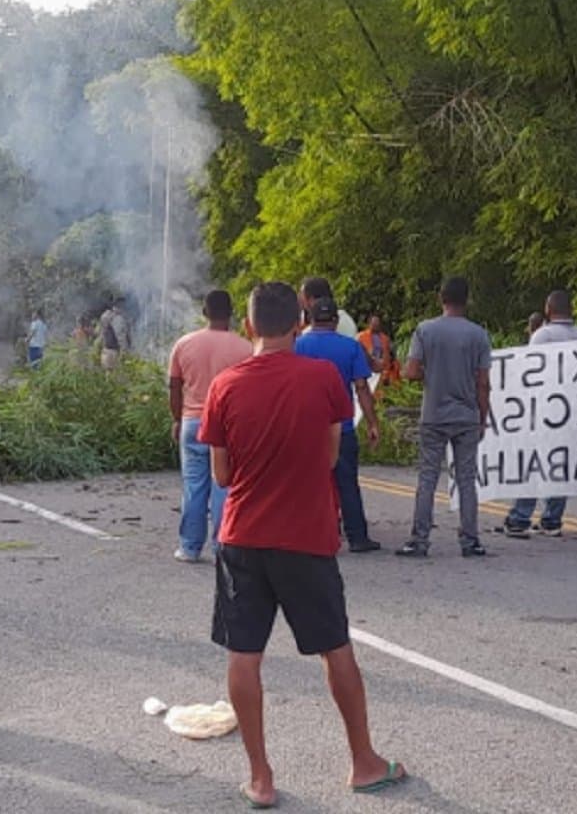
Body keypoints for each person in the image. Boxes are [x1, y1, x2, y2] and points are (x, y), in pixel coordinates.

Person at [199, 281, 406, 807]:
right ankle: (364, 762)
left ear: (248, 327)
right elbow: (330, 457)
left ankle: (261, 777)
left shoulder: (226, 385)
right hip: (307, 536)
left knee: (244, 656)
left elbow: (221, 476)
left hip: (242, 536)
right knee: (335, 648)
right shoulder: (323, 379)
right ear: (299, 322)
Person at [396, 276, 491, 558]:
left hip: (434, 414)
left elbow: (411, 371)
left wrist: (432, 374)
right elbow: (482, 382)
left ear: (441, 299)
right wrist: (482, 416)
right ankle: (470, 540)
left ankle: (420, 539)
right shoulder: (478, 335)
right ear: (467, 300)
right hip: (465, 415)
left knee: (427, 478)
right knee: (466, 479)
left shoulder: (426, 330)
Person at [168, 290, 253, 562]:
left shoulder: (183, 344)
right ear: (231, 314)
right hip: (227, 425)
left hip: (192, 421)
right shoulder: (245, 348)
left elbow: (174, 386)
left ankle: (189, 547)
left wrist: (177, 419)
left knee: (193, 486)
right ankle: (221, 546)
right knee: (224, 485)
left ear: (204, 313)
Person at [499, 290, 577, 537]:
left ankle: (520, 517)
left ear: (548, 310)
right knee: (561, 463)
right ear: (572, 310)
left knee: (533, 463)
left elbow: (532, 374)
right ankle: (552, 520)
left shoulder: (543, 336)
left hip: (545, 410)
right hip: (575, 411)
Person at [297, 298, 382, 553]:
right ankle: (357, 538)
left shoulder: (297, 346)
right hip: (340, 427)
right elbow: (362, 388)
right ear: (335, 321)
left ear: (309, 320)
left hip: (306, 429)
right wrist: (372, 423)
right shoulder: (351, 347)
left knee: (307, 485)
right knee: (347, 484)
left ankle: (309, 536)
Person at [99, 298, 131, 369]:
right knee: (116, 376)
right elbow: (120, 337)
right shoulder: (118, 319)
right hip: (113, 353)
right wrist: (124, 352)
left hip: (105, 351)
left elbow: (101, 334)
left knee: (107, 376)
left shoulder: (105, 316)